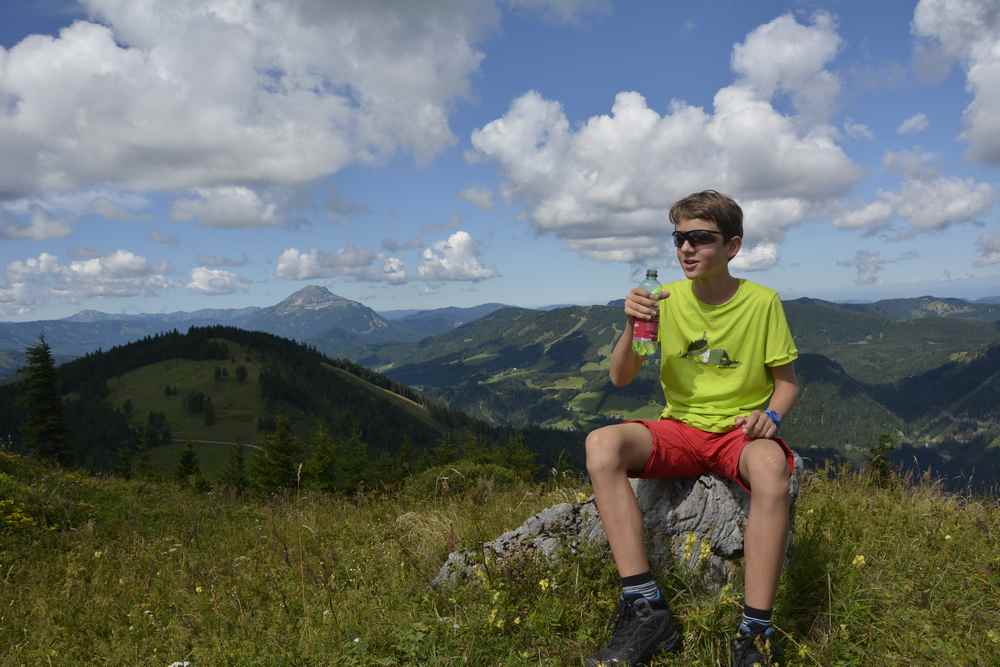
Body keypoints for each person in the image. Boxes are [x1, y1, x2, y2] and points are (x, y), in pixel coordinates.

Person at [584, 190, 800, 667]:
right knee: (601, 445)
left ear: (733, 246)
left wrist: (773, 417)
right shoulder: (664, 300)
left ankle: (754, 633)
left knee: (771, 471)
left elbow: (786, 384)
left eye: (700, 238)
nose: (685, 249)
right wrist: (629, 324)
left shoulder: (762, 303)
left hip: (737, 433)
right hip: (678, 427)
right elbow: (621, 376)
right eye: (679, 237)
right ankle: (645, 609)